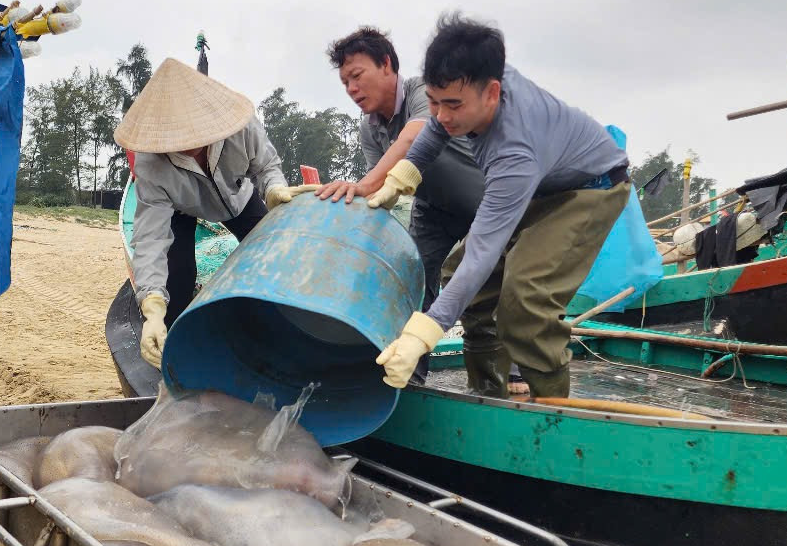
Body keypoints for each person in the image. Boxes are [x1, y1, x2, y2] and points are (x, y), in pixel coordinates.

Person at [363, 15, 631, 399]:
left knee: (526, 299)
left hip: (592, 189)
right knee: (459, 275)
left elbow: (483, 253)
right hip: (544, 185)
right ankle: (488, 393)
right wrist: (402, 175)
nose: (442, 115)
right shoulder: (473, 82)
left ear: (492, 92)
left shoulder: (514, 151)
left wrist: (423, 334)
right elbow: (436, 127)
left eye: (453, 105)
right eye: (434, 102)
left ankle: (551, 413)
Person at [315, 27, 512, 393]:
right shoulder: (370, 128)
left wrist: (363, 184)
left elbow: (412, 139)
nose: (352, 89)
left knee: (493, 285)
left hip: (487, 203)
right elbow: (382, 192)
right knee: (415, 279)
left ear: (386, 64)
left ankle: (511, 371)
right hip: (433, 209)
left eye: (356, 76)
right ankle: (408, 373)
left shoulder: (424, 91)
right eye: (345, 83)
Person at [113, 57, 299, 368]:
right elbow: (150, 238)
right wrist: (152, 305)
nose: (188, 142)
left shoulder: (242, 128)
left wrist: (274, 189)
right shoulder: (150, 163)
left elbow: (267, 166)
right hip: (181, 209)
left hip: (238, 198)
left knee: (276, 256)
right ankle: (174, 356)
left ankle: (280, 336)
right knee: (177, 278)